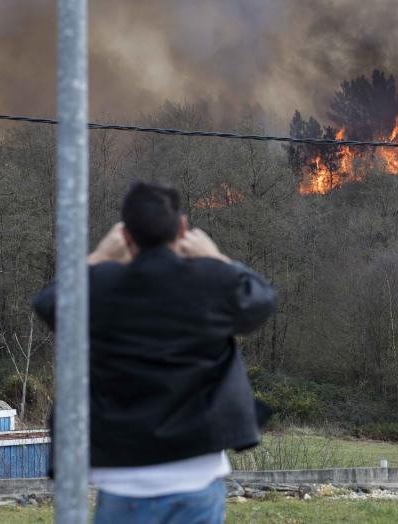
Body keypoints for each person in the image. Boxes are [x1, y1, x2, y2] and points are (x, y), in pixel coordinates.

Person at [33, 181, 277, 524]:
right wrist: (217, 258)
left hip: (122, 479)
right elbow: (262, 300)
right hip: (196, 475)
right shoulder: (208, 281)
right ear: (181, 228)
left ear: (126, 236)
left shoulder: (100, 285)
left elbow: (47, 304)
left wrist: (99, 257)